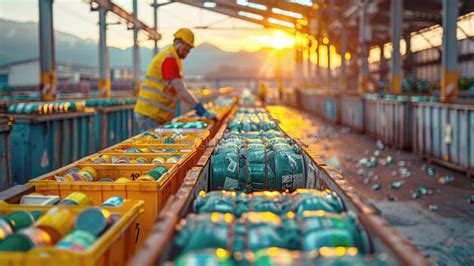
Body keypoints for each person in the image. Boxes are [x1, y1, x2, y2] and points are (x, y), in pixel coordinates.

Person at [134, 28, 216, 132]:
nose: (187, 53)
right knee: (155, 145)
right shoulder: (169, 60)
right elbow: (181, 90)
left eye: (189, 50)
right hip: (150, 115)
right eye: (185, 49)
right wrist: (201, 110)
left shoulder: (172, 59)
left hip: (154, 114)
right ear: (177, 43)